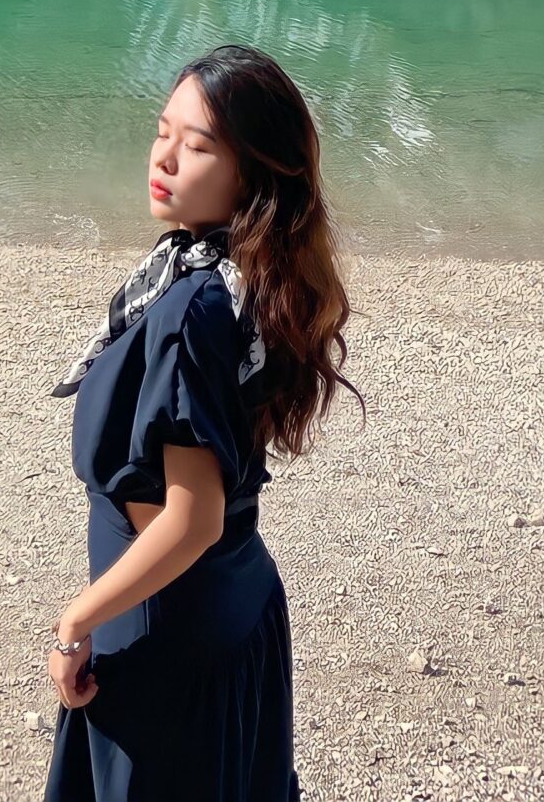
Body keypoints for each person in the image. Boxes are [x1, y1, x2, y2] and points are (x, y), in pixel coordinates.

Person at [42, 44, 358, 802]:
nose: (168, 158)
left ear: (252, 172)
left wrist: (75, 621)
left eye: (200, 145)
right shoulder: (229, 278)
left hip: (168, 636)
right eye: (163, 132)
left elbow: (192, 520)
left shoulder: (192, 310)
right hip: (233, 612)